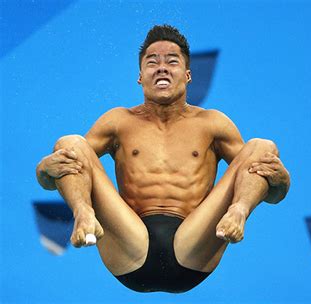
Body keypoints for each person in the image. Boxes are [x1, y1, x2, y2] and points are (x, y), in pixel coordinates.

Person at [36, 24, 290, 293]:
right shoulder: (118, 122)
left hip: (194, 245)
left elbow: (267, 190)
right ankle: (83, 213)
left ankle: (238, 212)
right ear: (140, 76)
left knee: (262, 147)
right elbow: (66, 172)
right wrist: (43, 170)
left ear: (188, 74)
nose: (162, 67)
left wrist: (282, 182)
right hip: (129, 246)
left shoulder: (213, 124)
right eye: (152, 62)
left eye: (172, 61)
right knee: (70, 144)